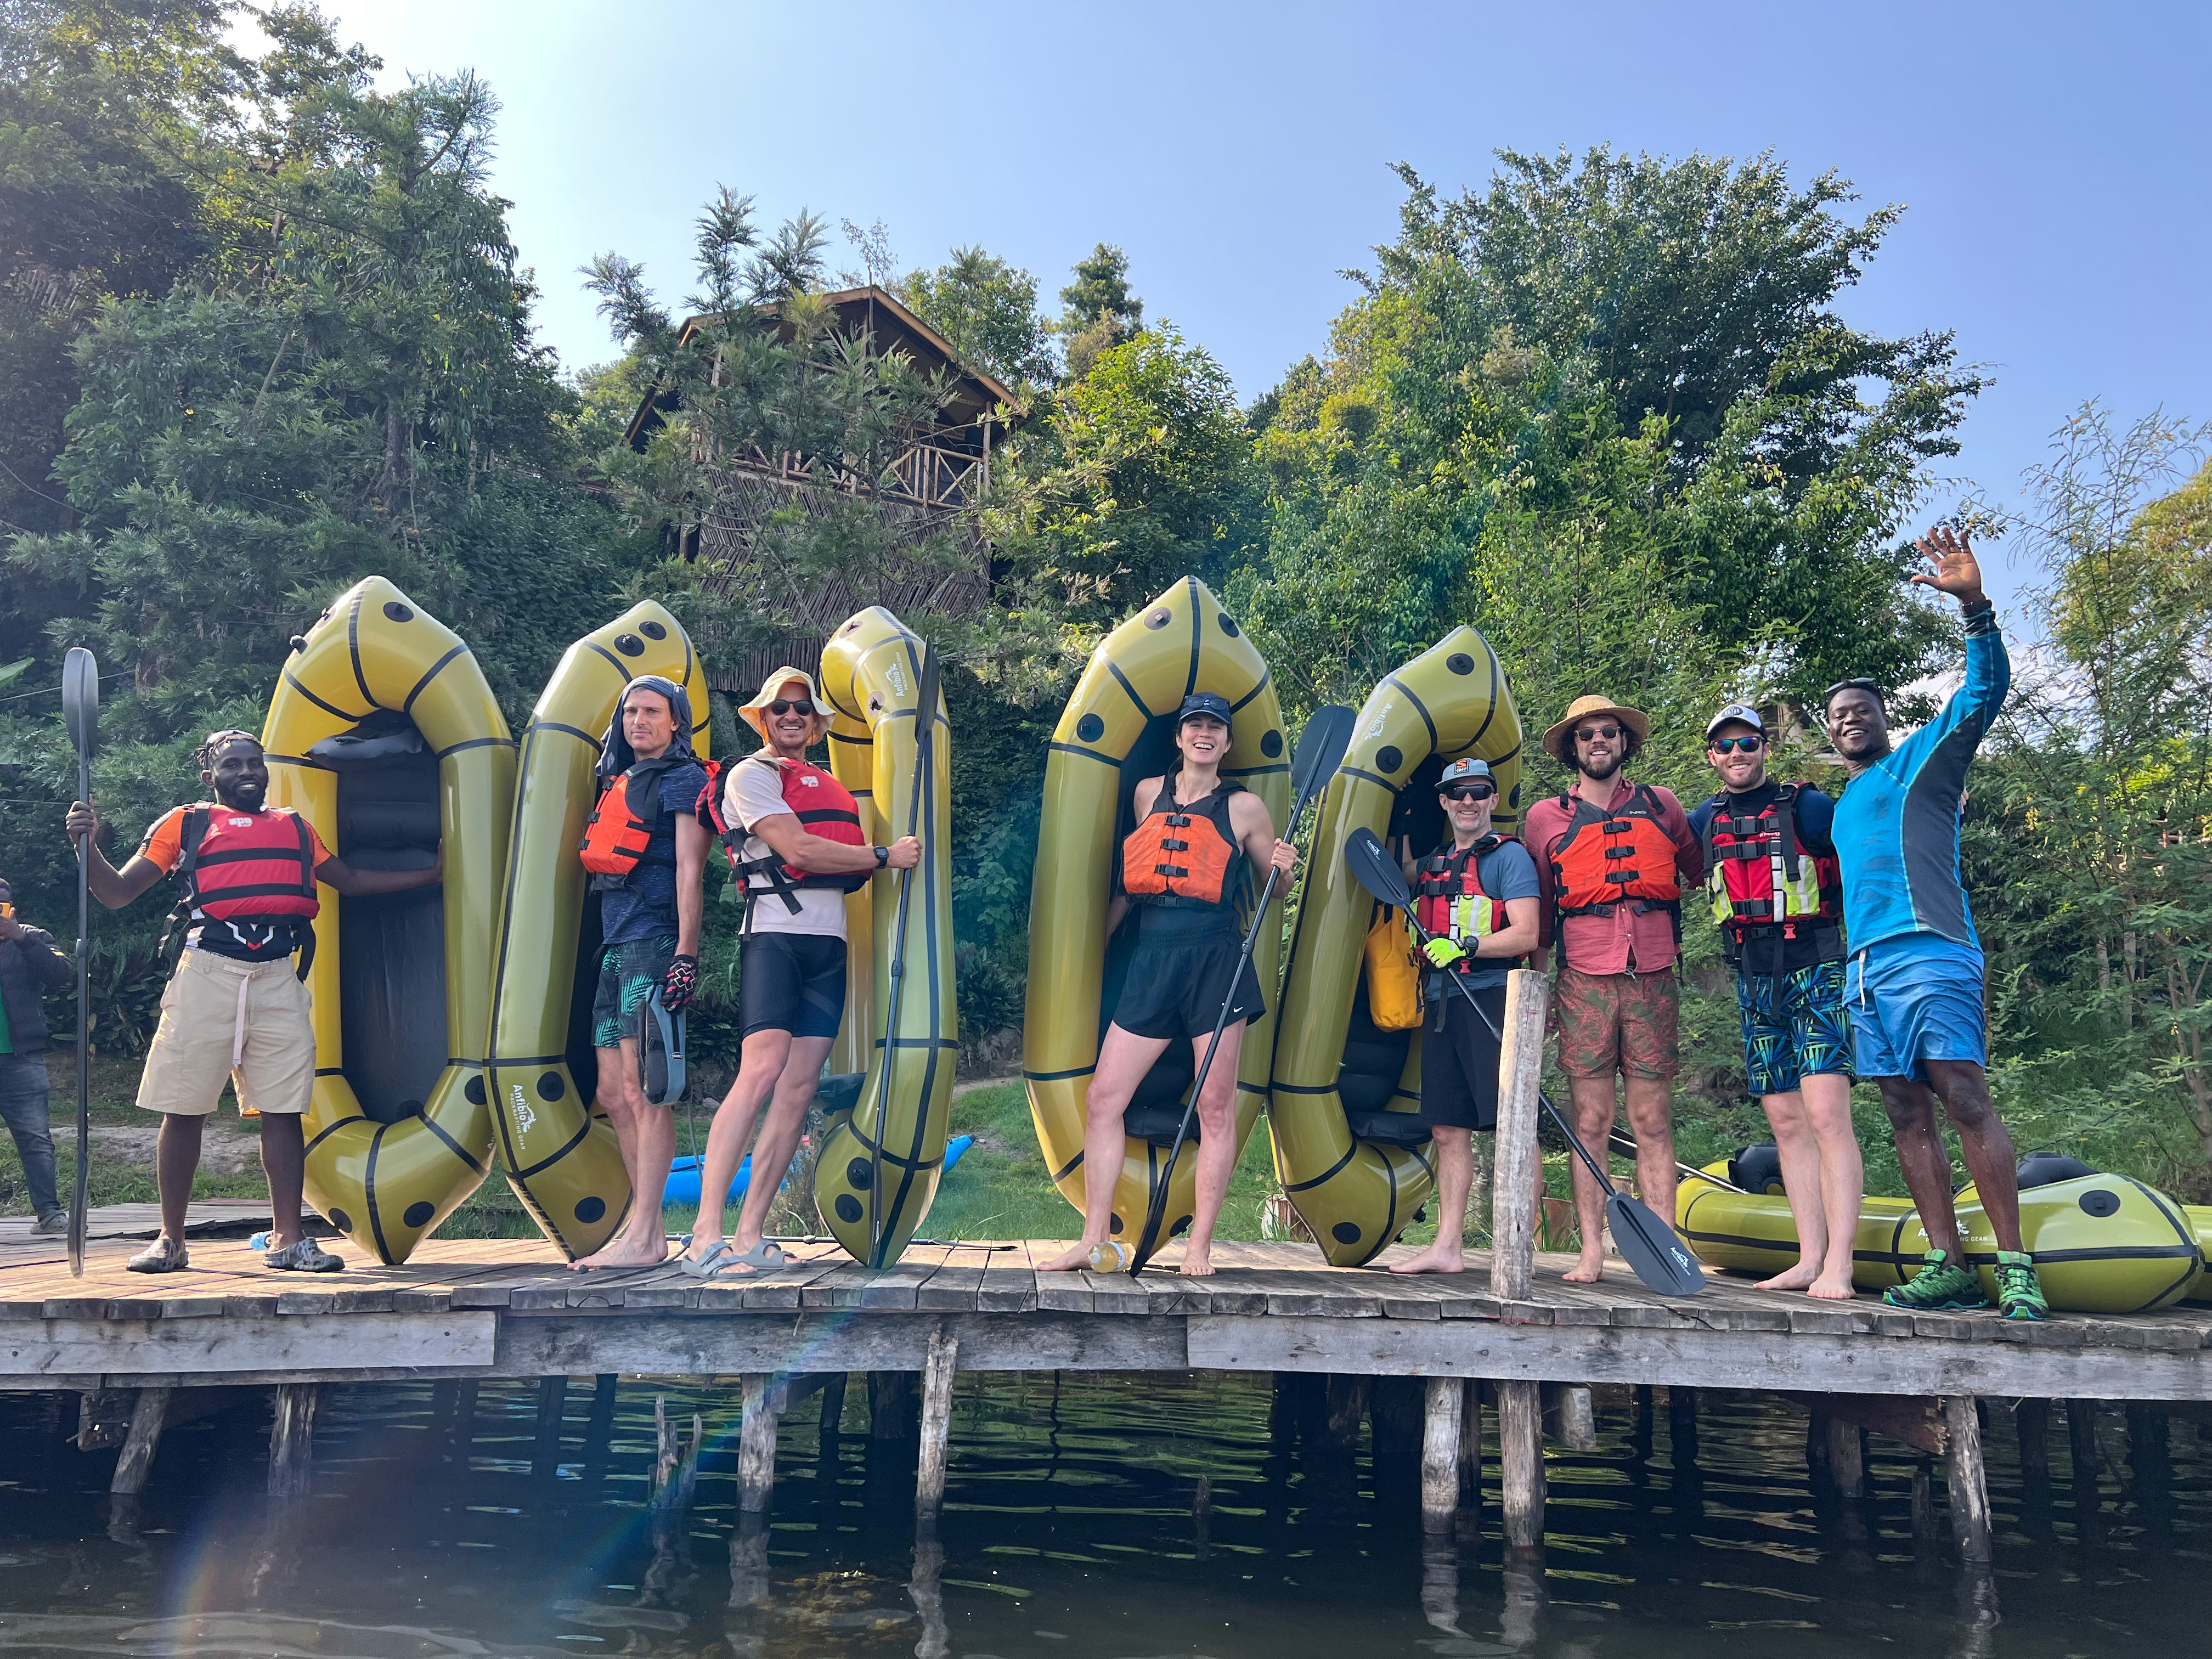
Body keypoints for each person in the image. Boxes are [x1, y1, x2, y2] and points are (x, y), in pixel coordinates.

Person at [64, 731, 441, 1272]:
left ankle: (288, 1239)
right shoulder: (187, 824)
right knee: (186, 1106)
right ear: (210, 775)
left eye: (254, 762)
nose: (247, 771)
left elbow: (351, 880)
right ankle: (170, 1240)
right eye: (233, 763)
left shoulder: (293, 827)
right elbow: (117, 893)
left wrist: (430, 873)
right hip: (207, 972)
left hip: (276, 974)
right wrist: (87, 847)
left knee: (283, 1108)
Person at [1825, 526, 2046, 1319]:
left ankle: (2015, 1264)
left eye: (1861, 710)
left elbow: (1984, 692)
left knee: (1963, 1095)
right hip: (1863, 968)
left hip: (1932, 950)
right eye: (1838, 716)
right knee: (1901, 1109)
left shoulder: (1924, 758)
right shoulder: (1842, 803)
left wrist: (1976, 609)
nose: (1850, 720)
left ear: (1885, 718)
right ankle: (1948, 1262)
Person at [1041, 693, 1299, 1278]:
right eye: (1195, 726)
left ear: (1227, 742)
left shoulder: (1247, 808)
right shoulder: (1145, 796)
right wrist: (1099, 952)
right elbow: (1135, 883)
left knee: (1214, 1106)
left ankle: (1200, 1247)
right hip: (1153, 957)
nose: (1204, 735)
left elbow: (1274, 891)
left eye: (1215, 728)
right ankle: (1093, 1237)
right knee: (1105, 1098)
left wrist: (1283, 865)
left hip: (1215, 959)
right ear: (1180, 737)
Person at [677, 668, 919, 1278]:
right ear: (763, 718)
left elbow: (827, 850)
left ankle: (749, 1234)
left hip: (827, 948)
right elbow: (799, 851)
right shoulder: (751, 775)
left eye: (802, 710)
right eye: (780, 708)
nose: (791, 717)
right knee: (760, 1074)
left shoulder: (828, 784)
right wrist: (886, 857)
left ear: (815, 723)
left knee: (799, 1088)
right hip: (775, 941)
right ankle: (706, 1230)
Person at [1523, 695, 1703, 1285]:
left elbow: (1702, 870)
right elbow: (1543, 912)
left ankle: (1665, 1247)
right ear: (1572, 749)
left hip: (1652, 977)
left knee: (1651, 1118)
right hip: (1584, 982)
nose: (1598, 741)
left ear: (1625, 743)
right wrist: (1543, 987)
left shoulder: (1664, 805)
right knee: (1591, 1119)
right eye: (1586, 735)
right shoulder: (1545, 818)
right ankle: (1592, 1250)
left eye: (1609, 732)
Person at [1688, 704, 1861, 1300]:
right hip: (1753, 977)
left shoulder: (1808, 808)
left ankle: (1841, 1262)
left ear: (1765, 748)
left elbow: (1869, 838)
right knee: (1785, 1121)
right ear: (1711, 757)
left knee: (1826, 1116)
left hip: (1816, 969)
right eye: (1725, 746)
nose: (1737, 753)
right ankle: (1809, 1257)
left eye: (1748, 743)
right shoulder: (1701, 822)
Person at [569, 676, 709, 1270]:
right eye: (631, 711)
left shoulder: (684, 780)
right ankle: (642, 1230)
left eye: (652, 712)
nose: (639, 721)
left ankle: (648, 1234)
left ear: (676, 721)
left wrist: (686, 951)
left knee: (645, 1090)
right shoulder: (621, 781)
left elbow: (689, 869)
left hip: (653, 944)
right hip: (614, 946)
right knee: (611, 1092)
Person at [1386, 759, 1541, 1276]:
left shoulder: (1509, 857)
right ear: (1445, 802)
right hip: (1442, 1002)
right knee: (1448, 1130)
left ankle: (1519, 1244)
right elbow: (1400, 874)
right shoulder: (1435, 862)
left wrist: (1468, 944)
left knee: (1510, 1124)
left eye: (1478, 792)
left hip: (1494, 997)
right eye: (1457, 793)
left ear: (1492, 800)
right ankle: (1447, 1247)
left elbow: (1527, 934)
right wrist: (1403, 811)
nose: (1468, 801)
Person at [0, 874, 76, 1234]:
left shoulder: (32, 936)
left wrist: (21, 938)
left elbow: (63, 974)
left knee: (34, 1137)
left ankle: (49, 1213)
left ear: (11, 908)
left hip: (21, 1058)